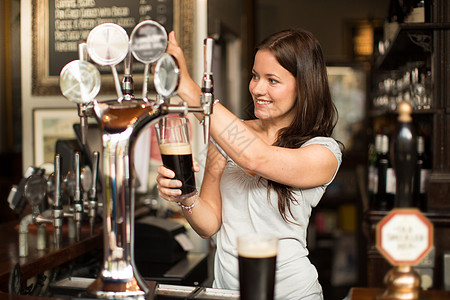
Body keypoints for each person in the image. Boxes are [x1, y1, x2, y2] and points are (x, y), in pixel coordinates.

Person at [156, 28, 343, 299]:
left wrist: (187, 87)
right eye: (255, 76)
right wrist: (184, 194)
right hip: (227, 293)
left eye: (272, 80)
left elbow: (256, 158)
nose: (257, 88)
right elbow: (209, 225)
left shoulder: (323, 151)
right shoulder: (228, 135)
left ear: (304, 85)